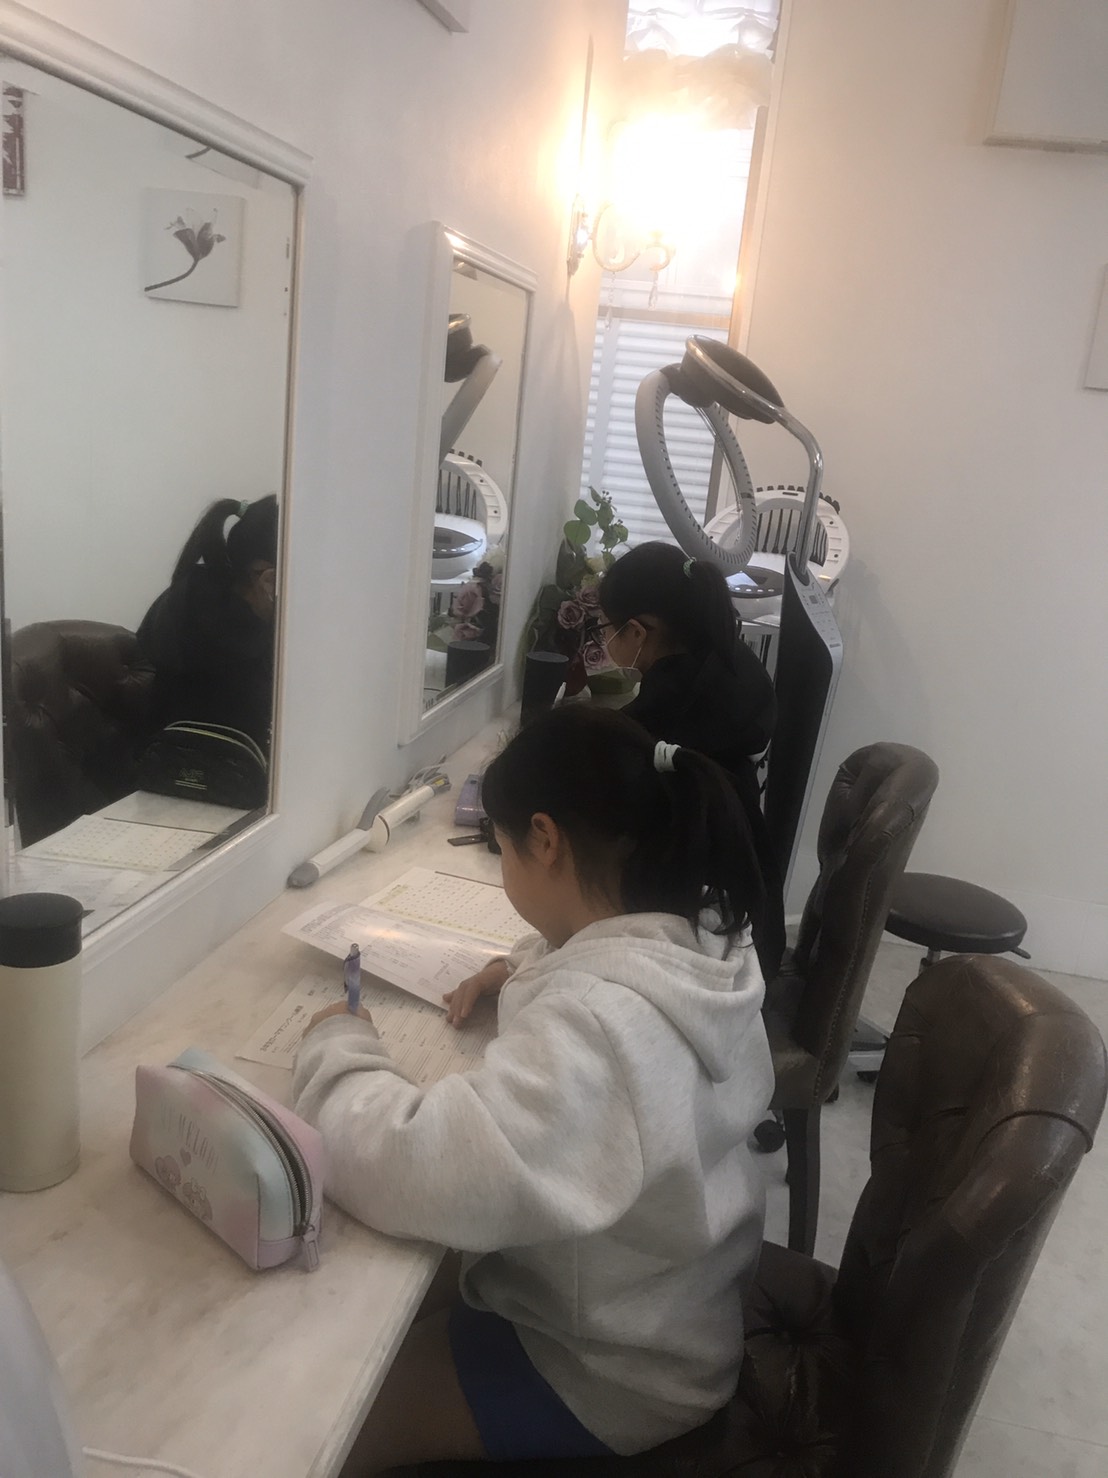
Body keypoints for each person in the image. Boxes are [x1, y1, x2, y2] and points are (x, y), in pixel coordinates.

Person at [292, 705, 773, 1473]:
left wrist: (337, 1048)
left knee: (323, 1426)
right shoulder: (709, 933)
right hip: (672, 1300)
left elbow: (419, 1166)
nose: (504, 866)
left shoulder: (598, 1029)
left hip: (609, 1372)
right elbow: (616, 961)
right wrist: (523, 967)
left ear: (545, 840)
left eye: (504, 847)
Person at [596, 540, 786, 979]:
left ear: (638, 632)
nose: (604, 639)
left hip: (707, 948)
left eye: (607, 628)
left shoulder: (667, 710)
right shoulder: (730, 662)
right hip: (749, 914)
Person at [136, 495, 278, 751]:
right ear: (268, 579)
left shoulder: (194, 589)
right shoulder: (235, 637)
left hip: (159, 757)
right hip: (205, 764)